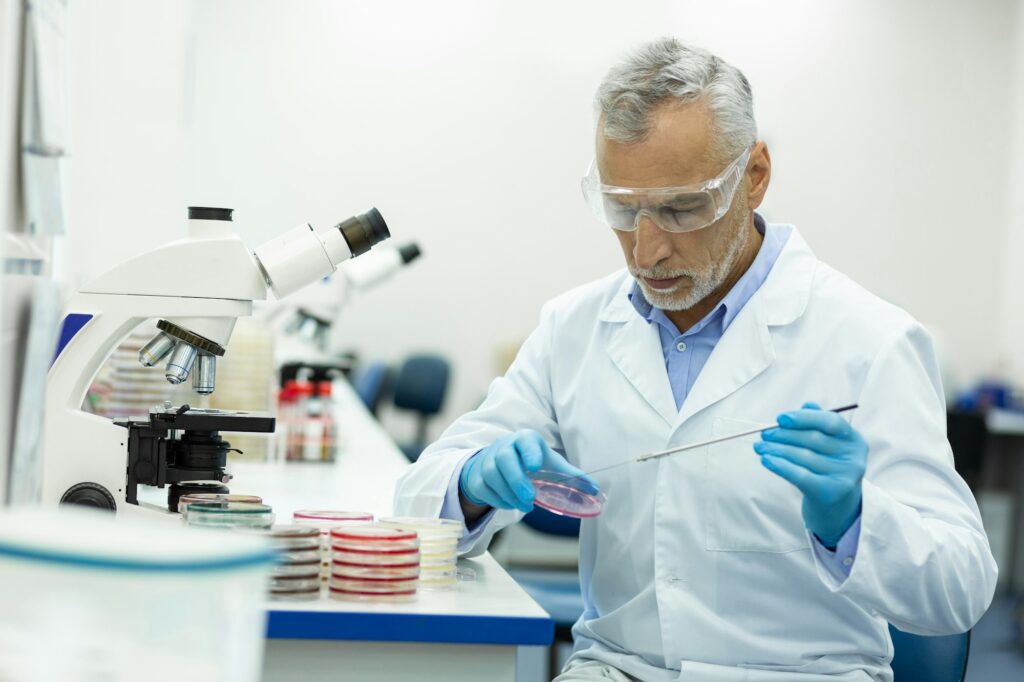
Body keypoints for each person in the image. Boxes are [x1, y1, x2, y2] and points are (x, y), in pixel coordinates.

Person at [394, 37, 996, 681]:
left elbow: (960, 586)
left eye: (681, 208)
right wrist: (472, 484)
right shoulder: (573, 328)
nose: (645, 250)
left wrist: (853, 520)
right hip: (617, 671)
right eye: (623, 209)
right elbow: (411, 508)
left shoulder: (871, 338)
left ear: (755, 175)